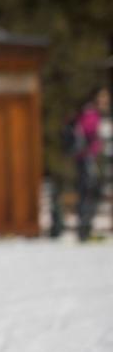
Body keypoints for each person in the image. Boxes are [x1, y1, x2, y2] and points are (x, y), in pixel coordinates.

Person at [71, 87, 109, 242]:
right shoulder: (90, 114)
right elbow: (86, 134)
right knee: (88, 192)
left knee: (89, 192)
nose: (105, 101)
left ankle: (86, 228)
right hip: (86, 159)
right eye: (102, 97)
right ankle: (84, 230)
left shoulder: (92, 113)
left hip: (89, 158)